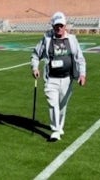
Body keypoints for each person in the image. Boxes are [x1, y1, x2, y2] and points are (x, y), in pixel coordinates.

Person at [30, 11, 87, 141]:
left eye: (61, 25)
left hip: (67, 79)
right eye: (56, 26)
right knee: (53, 103)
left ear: (65, 25)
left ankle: (59, 126)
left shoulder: (72, 40)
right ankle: (55, 130)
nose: (59, 28)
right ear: (53, 26)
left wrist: (82, 74)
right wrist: (35, 68)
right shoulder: (47, 39)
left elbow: (80, 58)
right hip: (51, 79)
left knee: (62, 105)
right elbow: (35, 54)